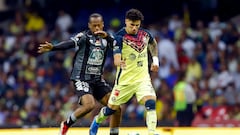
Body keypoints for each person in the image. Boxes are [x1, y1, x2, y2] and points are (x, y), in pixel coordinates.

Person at [38, 13, 121, 135]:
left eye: (99, 25)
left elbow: (119, 44)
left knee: (116, 108)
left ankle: (114, 133)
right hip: (81, 79)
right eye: (94, 26)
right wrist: (53, 47)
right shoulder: (84, 36)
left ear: (103, 24)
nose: (97, 28)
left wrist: (108, 37)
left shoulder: (107, 38)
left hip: (97, 80)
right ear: (89, 25)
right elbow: (70, 43)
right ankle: (66, 123)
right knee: (89, 105)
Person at [89, 8, 159, 135]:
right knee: (111, 110)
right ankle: (97, 120)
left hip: (142, 80)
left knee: (151, 102)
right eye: (132, 25)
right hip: (124, 82)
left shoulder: (145, 34)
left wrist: (155, 60)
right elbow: (116, 56)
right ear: (126, 22)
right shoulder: (119, 37)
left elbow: (153, 43)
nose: (134, 28)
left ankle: (152, 132)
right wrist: (118, 61)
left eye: (137, 25)